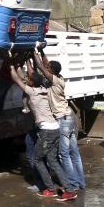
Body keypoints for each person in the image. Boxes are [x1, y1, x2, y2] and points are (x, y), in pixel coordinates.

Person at [9, 60, 77, 202]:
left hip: (47, 132)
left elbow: (16, 79)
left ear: (32, 83)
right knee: (52, 160)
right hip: (55, 129)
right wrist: (27, 60)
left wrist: (9, 64)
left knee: (37, 159)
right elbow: (33, 76)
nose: (27, 80)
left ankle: (50, 189)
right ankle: (69, 189)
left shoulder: (32, 92)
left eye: (28, 79)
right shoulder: (45, 88)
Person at [33, 48, 86, 193]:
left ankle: (73, 184)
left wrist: (33, 52)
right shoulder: (59, 77)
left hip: (63, 120)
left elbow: (42, 68)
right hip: (68, 118)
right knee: (74, 153)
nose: (47, 67)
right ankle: (80, 182)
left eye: (49, 68)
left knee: (64, 154)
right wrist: (41, 51)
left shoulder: (55, 81)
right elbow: (46, 65)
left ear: (52, 71)